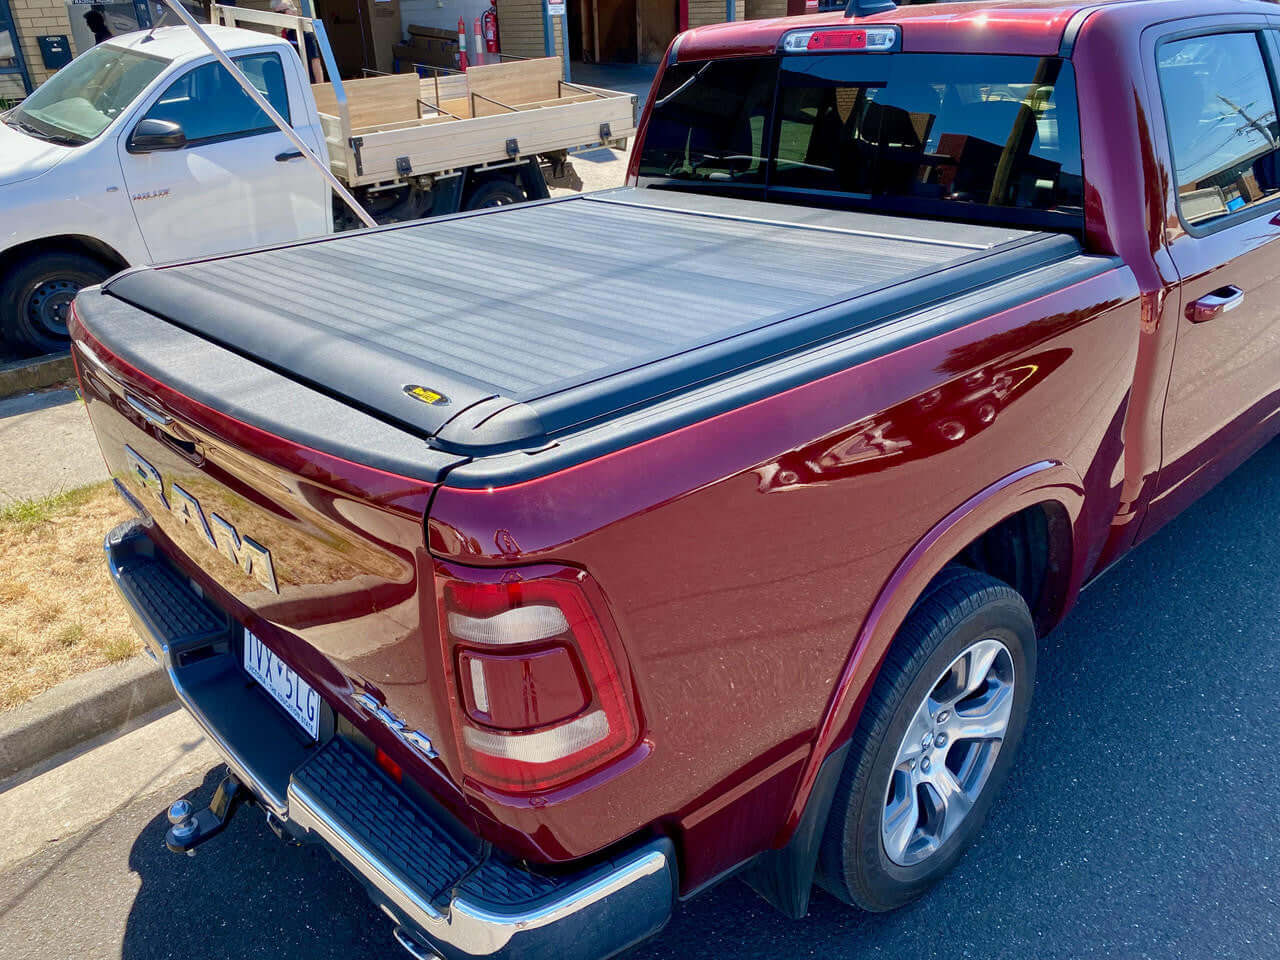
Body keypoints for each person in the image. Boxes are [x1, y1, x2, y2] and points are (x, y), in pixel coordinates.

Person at [270, 0, 323, 84]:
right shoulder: (286, 33)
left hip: (308, 82)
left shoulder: (305, 33)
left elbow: (315, 61)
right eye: (276, 13)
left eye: (282, 12)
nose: (280, 16)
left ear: (293, 11)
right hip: (294, 82)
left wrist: (320, 86)